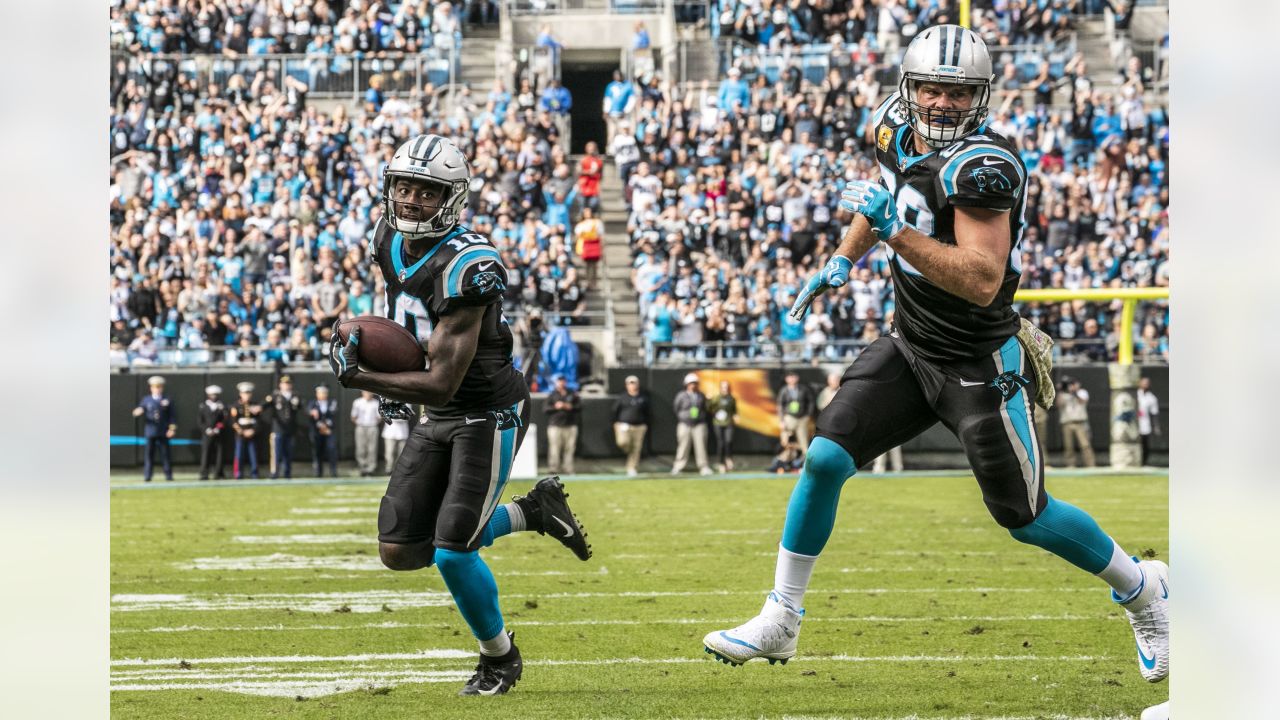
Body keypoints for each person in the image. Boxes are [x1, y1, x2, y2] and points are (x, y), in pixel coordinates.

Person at [702, 26, 1168, 687]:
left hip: (977, 363)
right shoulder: (892, 132)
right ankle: (782, 614)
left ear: (979, 99)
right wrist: (842, 258)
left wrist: (895, 233)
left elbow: (980, 277)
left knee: (1026, 518)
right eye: (930, 87)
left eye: (957, 92)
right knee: (825, 456)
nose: (942, 103)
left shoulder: (981, 167)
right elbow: (885, 199)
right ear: (908, 87)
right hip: (909, 343)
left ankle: (1143, 588)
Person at [327, 133, 593, 696]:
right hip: (435, 409)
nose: (410, 200)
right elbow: (403, 321)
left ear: (451, 197)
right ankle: (533, 512)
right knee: (401, 550)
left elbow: (445, 383)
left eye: (426, 191)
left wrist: (365, 377)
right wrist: (390, 371)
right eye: (403, 186)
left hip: (484, 412)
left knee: (452, 551)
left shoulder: (470, 264)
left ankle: (499, 658)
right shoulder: (386, 237)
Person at [133, 375, 175, 482]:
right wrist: (138, 411)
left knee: (165, 454)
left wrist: (172, 429)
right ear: (151, 388)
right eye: (155, 387)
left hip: (163, 431)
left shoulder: (167, 399)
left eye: (159, 387)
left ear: (162, 388)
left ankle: (168, 475)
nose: (157, 389)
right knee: (149, 455)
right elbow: (140, 409)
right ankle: (148, 475)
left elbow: (172, 416)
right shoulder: (146, 399)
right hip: (150, 431)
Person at [671, 373, 712, 476]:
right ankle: (678, 466)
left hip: (699, 424)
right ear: (687, 384)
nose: (693, 385)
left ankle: (703, 467)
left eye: (695, 383)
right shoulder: (681, 395)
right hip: (684, 424)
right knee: (683, 446)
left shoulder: (701, 395)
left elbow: (706, 409)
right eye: (691, 383)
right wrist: (683, 418)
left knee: (701, 446)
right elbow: (676, 408)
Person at [264, 375, 302, 479]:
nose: (286, 385)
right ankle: (274, 473)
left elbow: (301, 406)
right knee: (276, 453)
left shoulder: (295, 395)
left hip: (290, 429)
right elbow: (265, 404)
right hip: (278, 429)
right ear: (280, 385)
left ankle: (287, 473)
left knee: (288, 453)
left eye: (288, 383)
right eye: (284, 383)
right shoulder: (275, 395)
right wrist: (259, 407)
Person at [612, 374, 650, 477]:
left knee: (636, 449)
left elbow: (647, 412)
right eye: (630, 383)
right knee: (622, 442)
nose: (632, 386)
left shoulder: (643, 398)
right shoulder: (622, 397)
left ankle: (632, 468)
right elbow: (614, 411)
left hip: (639, 426)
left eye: (634, 383)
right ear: (626, 385)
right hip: (624, 426)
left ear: (638, 384)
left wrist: (645, 424)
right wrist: (616, 423)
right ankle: (629, 457)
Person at [544, 373, 580, 476]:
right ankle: (553, 469)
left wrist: (571, 407)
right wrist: (556, 407)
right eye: (559, 381)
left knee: (569, 448)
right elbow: (545, 409)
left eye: (562, 380)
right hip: (555, 425)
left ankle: (568, 469)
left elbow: (580, 406)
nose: (561, 382)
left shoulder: (571, 393)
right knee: (554, 448)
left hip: (570, 424)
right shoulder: (552, 395)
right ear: (556, 382)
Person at [1058, 376, 1096, 467]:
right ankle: (1070, 465)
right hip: (1067, 422)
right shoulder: (1063, 395)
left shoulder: (1082, 392)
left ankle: (1090, 465)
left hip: (1080, 423)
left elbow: (1082, 401)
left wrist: (1074, 392)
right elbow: (1059, 404)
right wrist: (1061, 391)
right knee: (1068, 446)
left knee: (1085, 445)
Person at [776, 370, 814, 458]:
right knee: (785, 440)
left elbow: (811, 401)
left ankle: (805, 462)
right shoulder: (784, 390)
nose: (792, 379)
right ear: (786, 379)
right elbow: (780, 405)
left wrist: (808, 415)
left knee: (804, 442)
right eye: (790, 377)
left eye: (794, 377)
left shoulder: (803, 389)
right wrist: (782, 420)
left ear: (797, 378)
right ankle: (783, 460)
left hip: (802, 418)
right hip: (789, 417)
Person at [230, 382, 262, 479]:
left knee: (254, 455)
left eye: (248, 393)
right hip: (240, 435)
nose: (246, 395)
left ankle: (255, 474)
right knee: (239, 455)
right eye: (244, 393)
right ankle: (238, 474)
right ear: (240, 394)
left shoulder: (255, 405)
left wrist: (253, 431)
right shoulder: (236, 406)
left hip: (252, 434)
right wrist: (242, 432)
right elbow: (233, 422)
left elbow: (259, 421)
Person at [197, 384, 228, 480]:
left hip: (219, 433)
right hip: (207, 434)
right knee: (206, 453)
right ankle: (204, 473)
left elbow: (225, 419)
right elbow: (200, 421)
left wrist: (218, 428)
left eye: (215, 394)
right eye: (212, 394)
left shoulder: (222, 406)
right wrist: (207, 429)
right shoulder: (203, 406)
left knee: (220, 454)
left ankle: (219, 473)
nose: (213, 396)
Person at [308, 383, 339, 477]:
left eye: (324, 393)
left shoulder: (332, 402)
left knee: (332, 450)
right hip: (317, 432)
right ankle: (318, 472)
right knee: (317, 451)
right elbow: (309, 413)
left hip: (329, 431)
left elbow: (333, 415)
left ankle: (333, 471)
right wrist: (319, 425)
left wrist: (326, 425)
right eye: (320, 393)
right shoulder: (312, 403)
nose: (322, 394)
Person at [351, 390, 383, 476]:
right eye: (366, 392)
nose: (368, 394)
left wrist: (374, 423)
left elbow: (379, 417)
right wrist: (359, 423)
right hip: (360, 427)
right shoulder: (357, 402)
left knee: (372, 448)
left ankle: (371, 469)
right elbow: (353, 416)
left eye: (369, 392)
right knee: (360, 448)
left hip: (372, 427)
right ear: (362, 392)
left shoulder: (376, 403)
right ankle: (362, 468)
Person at [710, 381, 739, 473]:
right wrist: (709, 400)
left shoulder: (732, 399)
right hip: (718, 423)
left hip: (728, 423)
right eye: (723, 387)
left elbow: (734, 410)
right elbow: (710, 408)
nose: (725, 389)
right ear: (720, 388)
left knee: (728, 441)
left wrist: (736, 416)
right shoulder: (716, 398)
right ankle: (720, 463)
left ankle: (728, 458)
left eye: (726, 387)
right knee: (721, 443)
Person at [1136, 377, 1161, 466]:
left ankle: (1143, 463)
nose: (1145, 385)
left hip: (1144, 424)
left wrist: (1156, 426)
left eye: (1147, 383)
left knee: (1145, 445)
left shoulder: (1151, 398)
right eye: (1143, 383)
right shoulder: (1135, 394)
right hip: (1133, 424)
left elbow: (1154, 413)